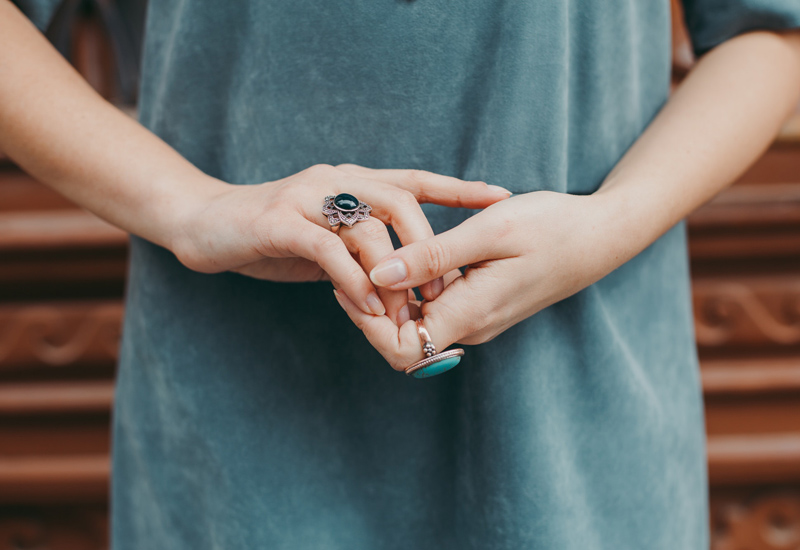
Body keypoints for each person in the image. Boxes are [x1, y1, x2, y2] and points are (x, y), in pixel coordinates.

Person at [2, 0, 799, 548]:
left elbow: (771, 32)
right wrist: (193, 209)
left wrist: (611, 222)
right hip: (237, 433)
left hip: (578, 429)